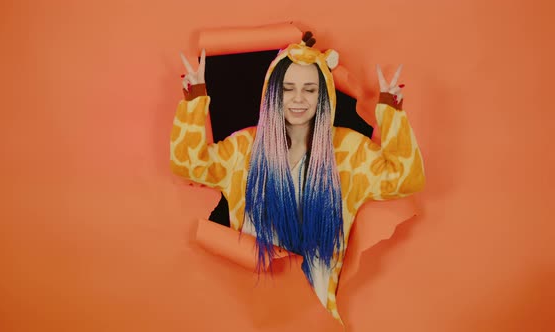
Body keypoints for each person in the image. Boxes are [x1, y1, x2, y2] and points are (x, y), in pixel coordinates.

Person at [170, 32, 425, 322]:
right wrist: (194, 99)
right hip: (250, 314)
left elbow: (406, 178)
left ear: (323, 95)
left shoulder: (348, 151)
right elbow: (189, 165)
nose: (298, 99)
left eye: (310, 89)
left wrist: (391, 112)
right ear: (274, 93)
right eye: (288, 88)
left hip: (318, 316)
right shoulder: (245, 148)